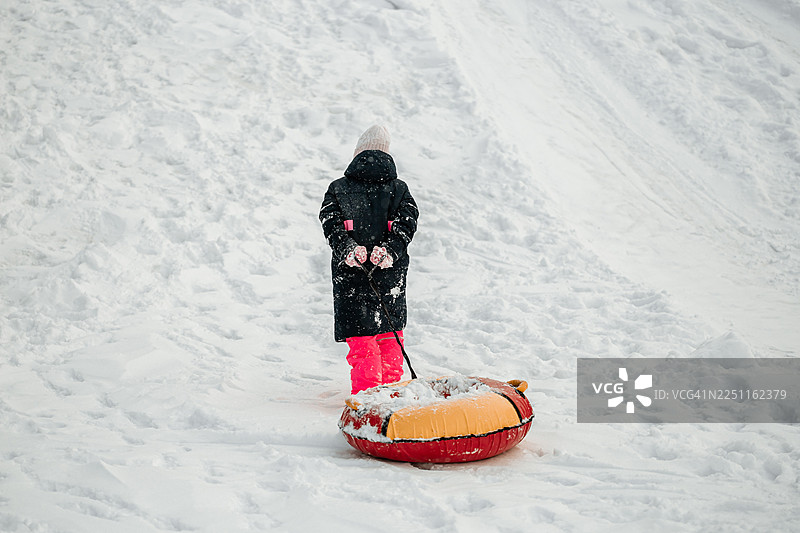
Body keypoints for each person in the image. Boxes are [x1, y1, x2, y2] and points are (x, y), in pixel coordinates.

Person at [319, 125, 419, 394]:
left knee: (362, 341)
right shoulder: (399, 189)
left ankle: (367, 401)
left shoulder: (338, 189)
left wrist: (348, 248)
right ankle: (394, 395)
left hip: (350, 277)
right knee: (390, 337)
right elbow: (407, 223)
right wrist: (389, 251)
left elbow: (330, 223)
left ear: (357, 154)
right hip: (390, 276)